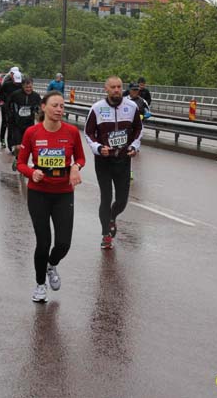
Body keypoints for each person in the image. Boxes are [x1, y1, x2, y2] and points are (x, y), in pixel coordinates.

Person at [16, 91, 86, 302]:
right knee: (43, 242)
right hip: (39, 193)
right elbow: (20, 163)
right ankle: (39, 285)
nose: (59, 110)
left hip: (63, 193)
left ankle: (51, 265)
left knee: (63, 243)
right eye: (55, 105)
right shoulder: (32, 132)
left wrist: (75, 166)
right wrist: (32, 172)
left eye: (62, 106)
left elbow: (81, 157)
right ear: (44, 107)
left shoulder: (72, 132)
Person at [85, 76, 143, 250]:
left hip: (123, 159)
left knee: (122, 201)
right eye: (113, 87)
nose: (116, 90)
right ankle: (106, 235)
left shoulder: (131, 107)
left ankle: (112, 217)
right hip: (103, 160)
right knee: (106, 196)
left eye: (119, 87)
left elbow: (138, 130)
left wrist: (134, 146)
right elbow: (88, 133)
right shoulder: (97, 108)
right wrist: (97, 147)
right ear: (106, 89)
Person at [8, 76, 41, 171]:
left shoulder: (36, 96)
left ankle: (23, 164)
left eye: (30, 87)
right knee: (18, 147)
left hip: (29, 125)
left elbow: (40, 108)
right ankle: (17, 159)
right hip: (17, 124)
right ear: (22, 86)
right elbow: (8, 105)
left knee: (28, 147)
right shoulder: (16, 95)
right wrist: (10, 117)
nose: (28, 89)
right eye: (26, 87)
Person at [0, 70, 22, 149]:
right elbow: (0, 93)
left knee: (14, 125)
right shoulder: (6, 84)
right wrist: (4, 101)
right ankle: (2, 139)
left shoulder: (21, 85)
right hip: (6, 106)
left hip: (17, 108)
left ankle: (12, 143)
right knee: (5, 123)